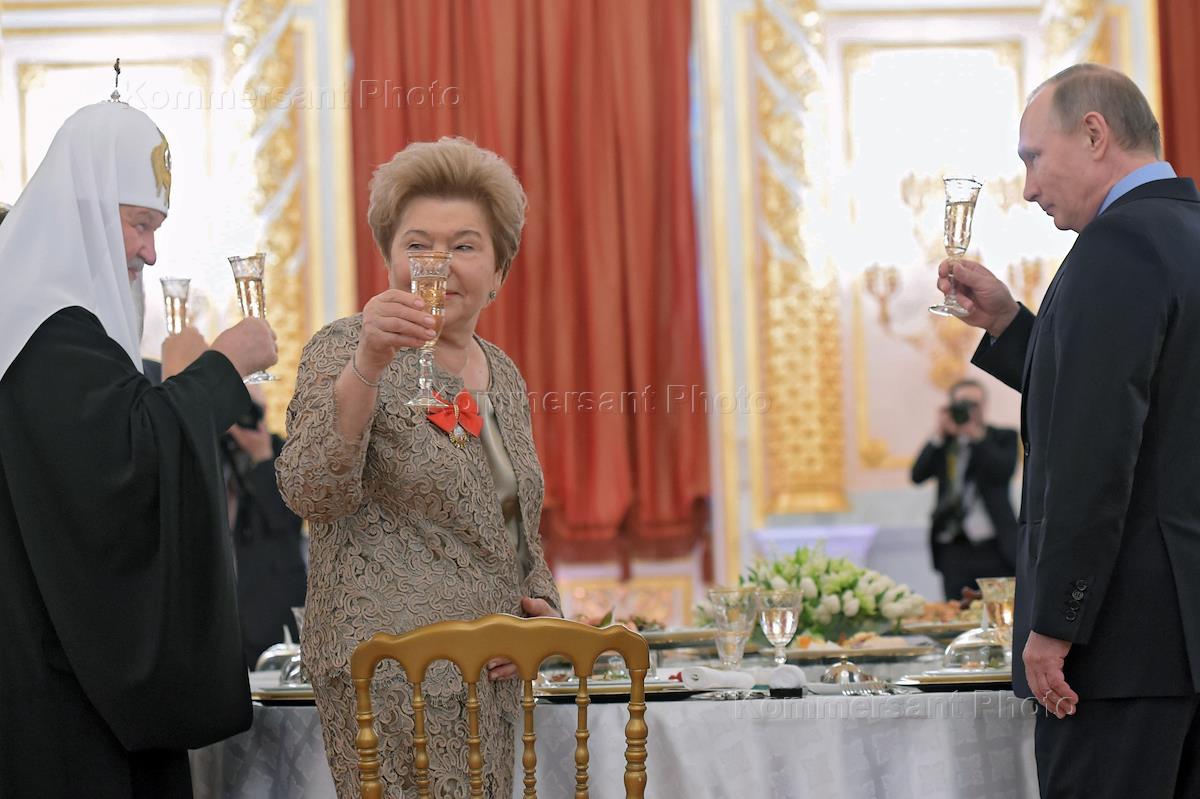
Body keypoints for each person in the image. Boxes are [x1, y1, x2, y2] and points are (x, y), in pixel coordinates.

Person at [0, 100, 278, 797]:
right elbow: (125, 467)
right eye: (141, 224)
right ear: (87, 213)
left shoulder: (39, 319)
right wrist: (220, 369)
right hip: (58, 682)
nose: (150, 253)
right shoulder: (49, 330)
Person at [940, 63, 1200, 797]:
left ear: (1093, 134)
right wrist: (1009, 325)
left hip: (1122, 648)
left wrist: (1057, 621)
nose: (1027, 187)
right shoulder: (1185, 232)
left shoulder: (1117, 246)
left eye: (1032, 157)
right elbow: (1152, 405)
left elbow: (1094, 453)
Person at [276, 136, 561, 798]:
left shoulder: (503, 373)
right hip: (386, 677)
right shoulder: (345, 348)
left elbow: (516, 525)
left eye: (464, 245)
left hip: (488, 678)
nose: (439, 264)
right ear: (389, 261)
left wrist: (540, 610)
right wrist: (369, 365)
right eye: (418, 245)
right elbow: (311, 489)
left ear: (499, 272)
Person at [220, 384, 307, 669]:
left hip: (273, 604)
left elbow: (286, 520)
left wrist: (262, 459)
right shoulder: (214, 455)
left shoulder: (285, 453)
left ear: (265, 409)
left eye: (251, 408)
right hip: (227, 606)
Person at [911, 378, 1018, 599]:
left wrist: (976, 436)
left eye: (974, 404)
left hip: (995, 547)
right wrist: (938, 435)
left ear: (984, 406)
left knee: (1000, 613)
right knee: (956, 612)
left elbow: (1002, 472)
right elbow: (917, 475)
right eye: (962, 404)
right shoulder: (945, 443)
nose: (968, 410)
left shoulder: (1003, 437)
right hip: (954, 549)